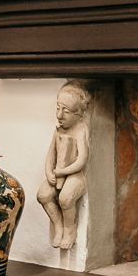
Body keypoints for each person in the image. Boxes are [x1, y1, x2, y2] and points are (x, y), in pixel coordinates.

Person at [39, 82, 91, 249]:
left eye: (66, 111)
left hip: (75, 175)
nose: (59, 115)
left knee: (66, 198)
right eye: (58, 108)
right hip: (58, 173)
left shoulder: (81, 129)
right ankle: (59, 225)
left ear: (78, 114)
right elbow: (51, 155)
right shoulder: (58, 130)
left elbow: (82, 160)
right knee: (43, 195)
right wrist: (49, 172)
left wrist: (62, 171)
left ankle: (69, 229)